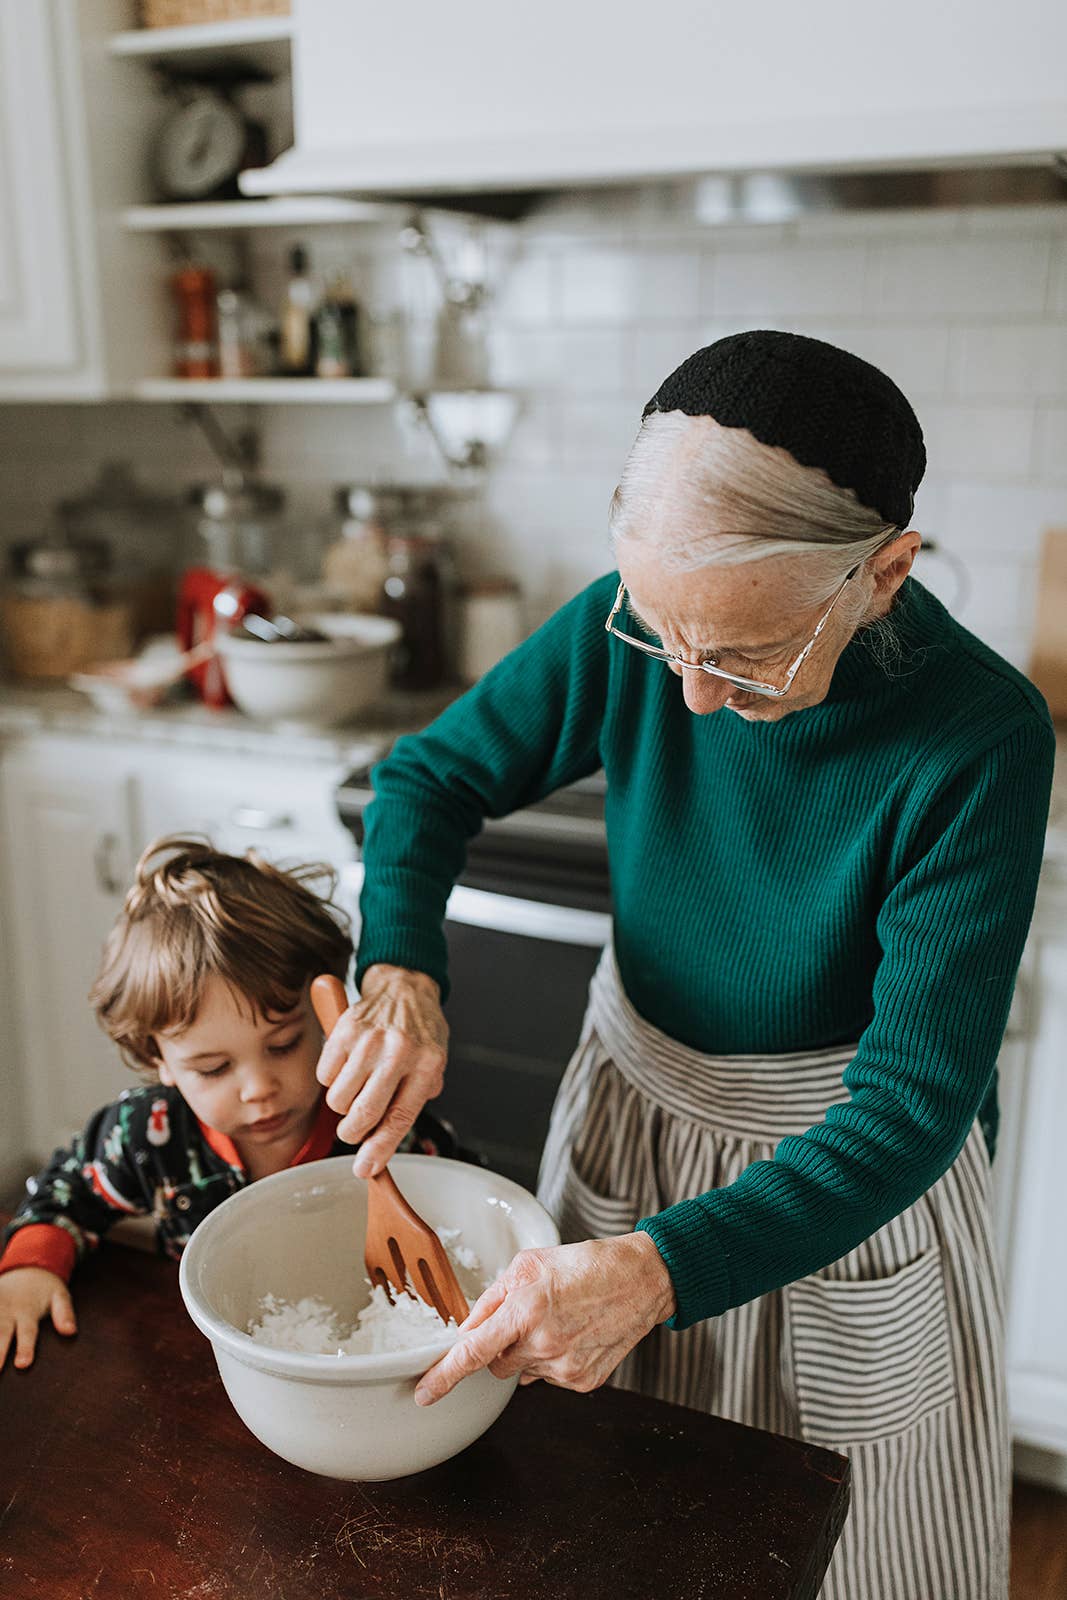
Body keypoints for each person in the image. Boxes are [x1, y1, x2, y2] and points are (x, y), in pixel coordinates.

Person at [313, 330, 1055, 1600]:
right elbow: (423, 779)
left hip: (835, 1184)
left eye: (746, 656)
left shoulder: (978, 736)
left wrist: (659, 1269)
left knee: (851, 1549)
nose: (693, 699)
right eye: (666, 640)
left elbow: (909, 1108)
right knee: (608, 1522)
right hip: (632, 1116)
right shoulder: (637, 630)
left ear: (882, 575)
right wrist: (401, 970)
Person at [0, 836, 456, 1372]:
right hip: (210, 1368)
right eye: (213, 1068)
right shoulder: (149, 1135)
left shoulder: (380, 1122)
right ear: (159, 1059)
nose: (257, 1087)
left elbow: (467, 1213)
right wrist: (31, 1268)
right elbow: (65, 1194)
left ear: (332, 1019)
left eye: (284, 1044)